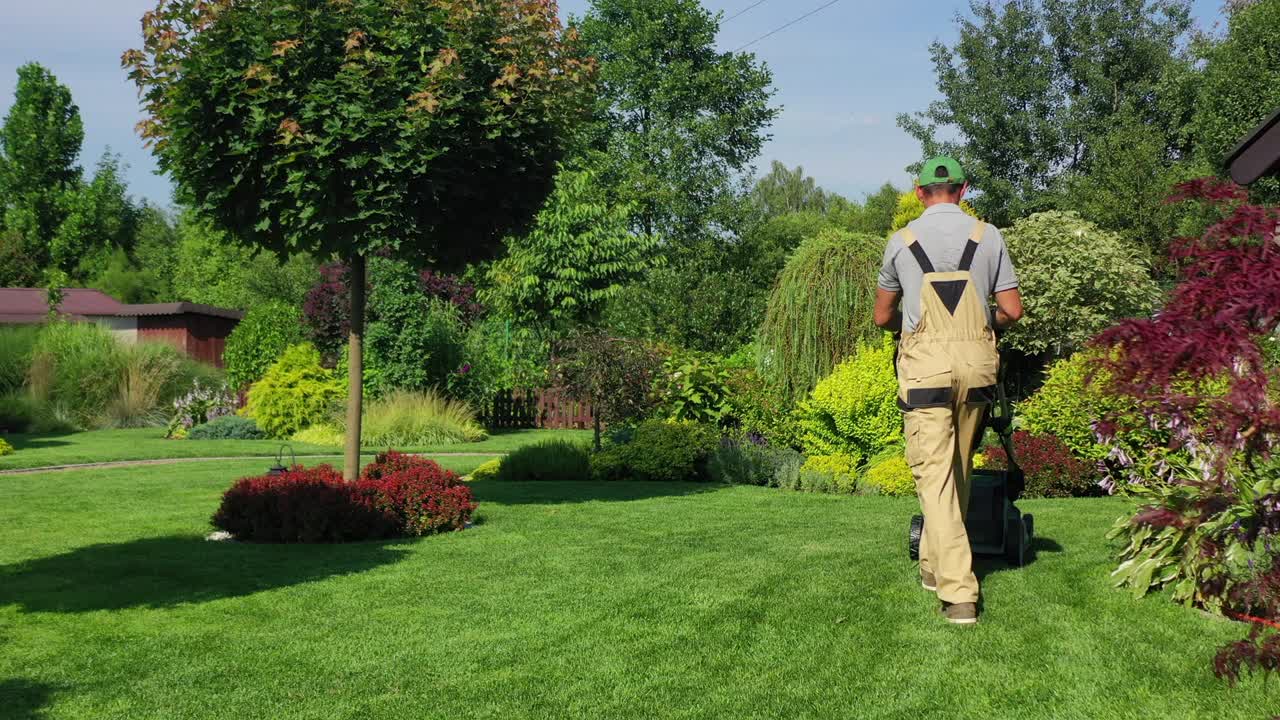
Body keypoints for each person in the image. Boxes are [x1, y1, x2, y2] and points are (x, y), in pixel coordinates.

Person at [873, 156, 1023, 625]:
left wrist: (915, 325)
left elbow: (882, 317)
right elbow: (1012, 310)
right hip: (977, 366)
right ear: (963, 190)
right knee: (955, 468)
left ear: (919, 192)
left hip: (927, 369)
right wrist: (979, 323)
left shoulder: (902, 242)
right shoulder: (989, 236)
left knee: (933, 473)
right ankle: (933, 567)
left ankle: (959, 593)